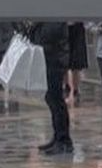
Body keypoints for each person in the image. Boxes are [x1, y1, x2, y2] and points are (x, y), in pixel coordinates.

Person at [29, 21, 73, 154]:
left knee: (56, 100)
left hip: (55, 60)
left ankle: (64, 140)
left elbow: (48, 35)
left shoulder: (55, 17)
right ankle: (58, 136)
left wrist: (36, 26)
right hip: (49, 59)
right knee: (51, 99)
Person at [64, 22, 88, 103]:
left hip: (77, 26)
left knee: (76, 63)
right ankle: (66, 88)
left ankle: (75, 91)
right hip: (62, 26)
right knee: (63, 60)